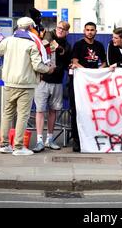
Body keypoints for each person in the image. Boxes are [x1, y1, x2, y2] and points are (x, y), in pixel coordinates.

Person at [0, 17, 54, 156]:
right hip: (26, 84)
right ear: (30, 27)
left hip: (9, 83)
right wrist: (49, 69)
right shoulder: (31, 44)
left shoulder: (8, 41)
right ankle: (18, 147)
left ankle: (4, 144)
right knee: (22, 116)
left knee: (7, 114)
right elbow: (37, 66)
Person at [32, 21, 72, 153]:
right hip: (42, 80)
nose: (61, 30)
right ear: (57, 28)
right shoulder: (49, 34)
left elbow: (66, 59)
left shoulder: (67, 44)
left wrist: (61, 51)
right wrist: (51, 44)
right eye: (59, 28)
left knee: (53, 110)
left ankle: (49, 139)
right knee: (40, 110)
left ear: (67, 32)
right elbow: (46, 40)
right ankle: (39, 140)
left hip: (57, 81)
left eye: (64, 29)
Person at [69, 22, 106, 152]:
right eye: (88, 30)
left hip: (94, 85)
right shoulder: (78, 45)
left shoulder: (99, 46)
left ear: (96, 31)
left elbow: (104, 63)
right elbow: (74, 62)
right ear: (84, 31)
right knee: (77, 111)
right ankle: (76, 140)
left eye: (92, 30)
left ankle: (92, 138)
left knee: (94, 111)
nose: (90, 32)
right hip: (79, 83)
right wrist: (86, 73)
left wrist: (96, 73)